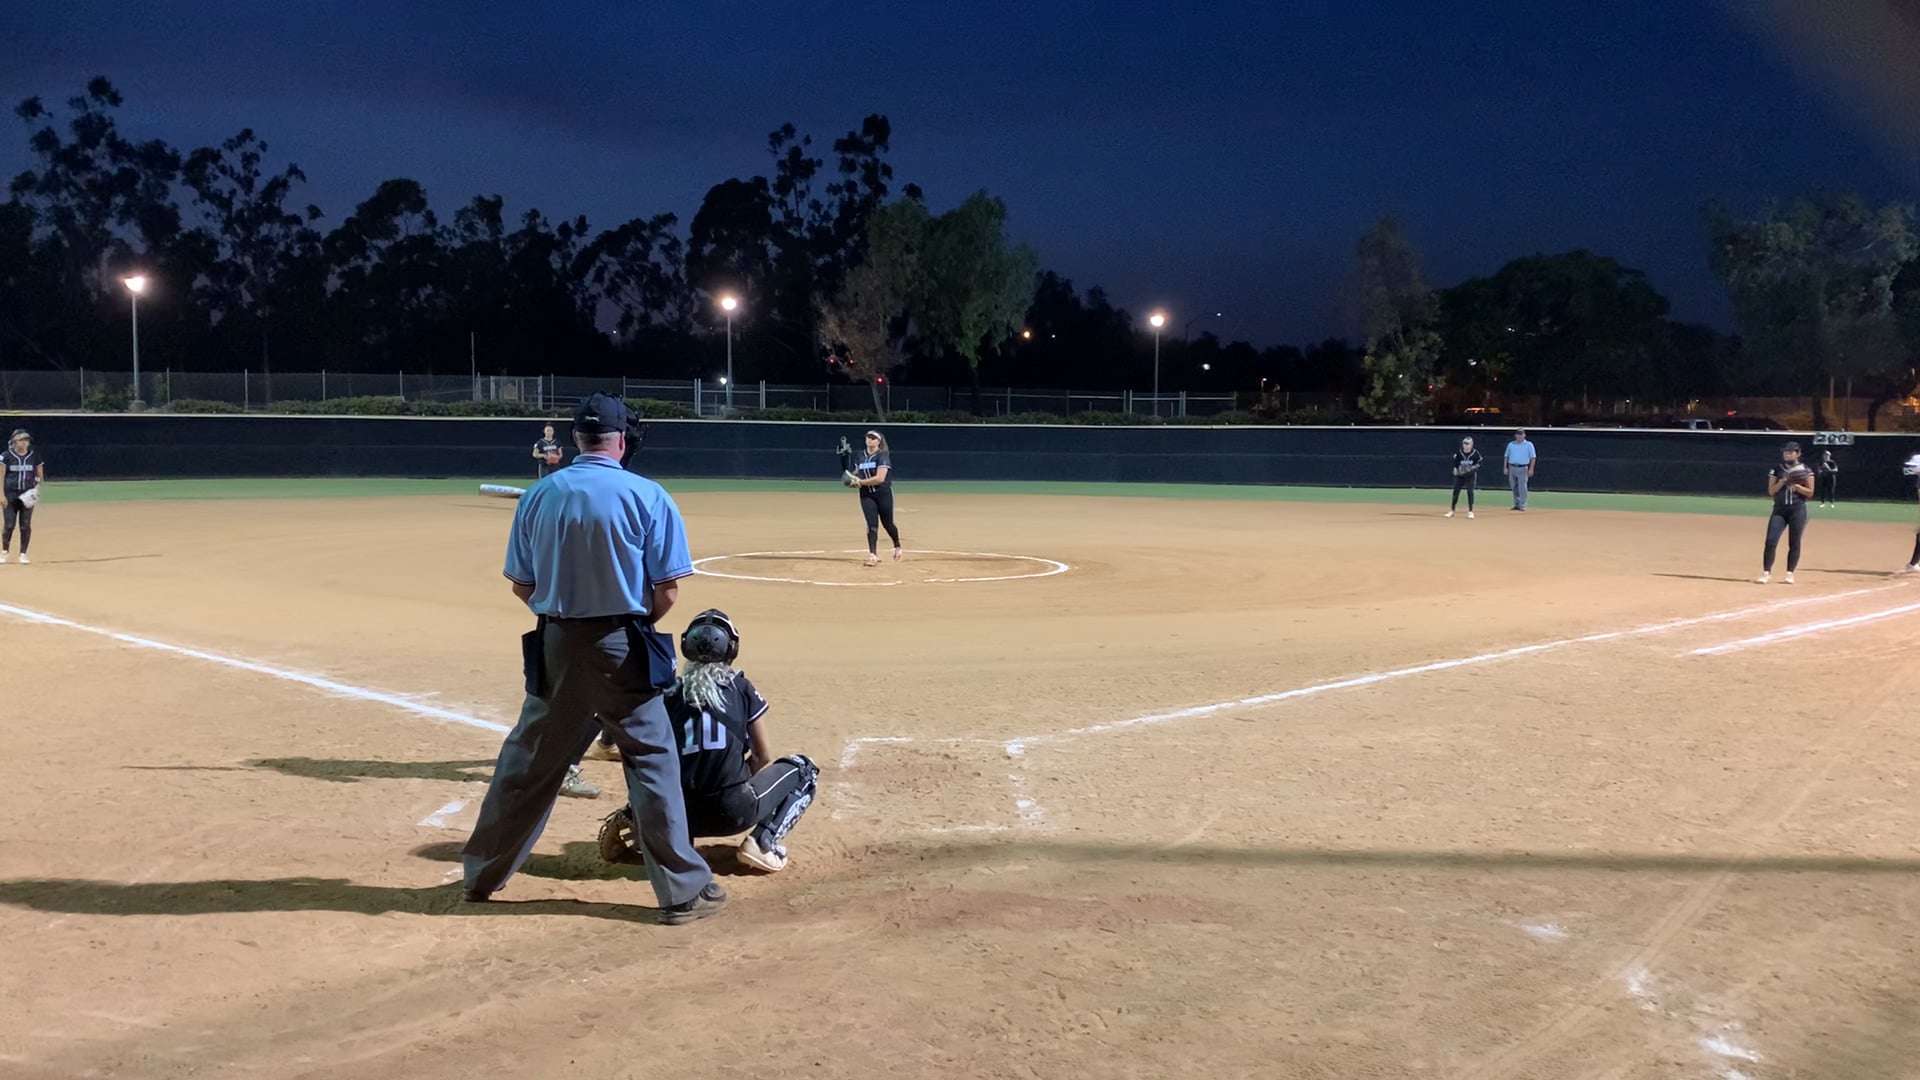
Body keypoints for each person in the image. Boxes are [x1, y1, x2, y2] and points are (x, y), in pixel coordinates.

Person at [460, 392, 725, 925]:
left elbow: (522, 585)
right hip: (623, 644)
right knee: (651, 761)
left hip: (556, 643)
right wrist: (629, 623)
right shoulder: (648, 496)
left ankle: (481, 875)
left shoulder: (541, 495)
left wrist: (569, 617)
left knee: (528, 762)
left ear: (577, 439)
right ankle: (682, 892)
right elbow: (668, 590)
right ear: (622, 440)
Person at [594, 609, 818, 874]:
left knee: (656, 771)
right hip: (734, 811)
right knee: (803, 769)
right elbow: (762, 755)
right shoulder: (740, 686)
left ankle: (664, 837)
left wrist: (640, 806)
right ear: (731, 648)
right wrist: (736, 780)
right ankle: (762, 842)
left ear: (686, 646)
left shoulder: (669, 693)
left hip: (679, 816)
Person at [1758, 440, 1815, 585]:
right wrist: (1783, 481)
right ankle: (1766, 573)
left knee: (1794, 542)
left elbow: (1810, 492)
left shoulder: (1806, 470)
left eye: (1790, 452)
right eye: (1785, 452)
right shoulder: (1777, 469)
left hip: (1798, 509)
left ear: (1798, 453)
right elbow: (1771, 491)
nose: (1787, 454)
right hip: (1780, 510)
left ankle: (1790, 573)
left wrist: (1797, 487)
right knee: (1771, 541)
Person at [845, 430, 902, 566]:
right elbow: (856, 473)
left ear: (878, 441)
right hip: (866, 494)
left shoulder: (882, 456)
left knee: (888, 524)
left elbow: (880, 478)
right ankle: (873, 555)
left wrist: (860, 482)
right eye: (868, 437)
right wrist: (849, 476)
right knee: (871, 524)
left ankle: (897, 545)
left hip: (883, 493)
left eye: (873, 438)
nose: (870, 440)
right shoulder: (860, 455)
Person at [2, 429, 45, 565]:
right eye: (21, 440)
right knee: (9, 525)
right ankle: (4, 552)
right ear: (14, 441)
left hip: (27, 494)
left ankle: (23, 554)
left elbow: (39, 475)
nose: (24, 442)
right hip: (10, 494)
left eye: (26, 440)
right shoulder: (6, 456)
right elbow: (1, 476)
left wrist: (36, 489)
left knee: (25, 525)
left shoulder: (34, 457)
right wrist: (1, 495)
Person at [1446, 436, 1482, 519]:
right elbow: (1455, 462)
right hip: (1460, 475)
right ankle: (1452, 510)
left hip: (1470, 476)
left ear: (1471, 445)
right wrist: (1455, 469)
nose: (1466, 445)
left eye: (1467, 444)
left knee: (1470, 492)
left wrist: (1472, 468)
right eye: (1464, 443)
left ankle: (1470, 511)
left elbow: (1480, 463)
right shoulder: (1459, 453)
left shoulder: (1475, 454)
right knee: (1456, 492)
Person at [1503, 428, 1537, 511]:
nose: (1519, 436)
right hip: (1512, 467)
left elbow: (1533, 458)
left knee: (1522, 487)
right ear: (1515, 435)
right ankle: (1517, 504)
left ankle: (1523, 504)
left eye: (1521, 434)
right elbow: (1506, 456)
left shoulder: (1529, 445)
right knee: (1514, 486)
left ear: (1524, 435)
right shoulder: (1511, 444)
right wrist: (1505, 467)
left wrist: (1531, 469)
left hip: (1523, 467)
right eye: (1518, 434)